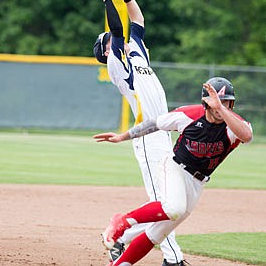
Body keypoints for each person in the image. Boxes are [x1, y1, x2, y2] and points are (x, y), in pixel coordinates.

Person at [94, 77, 253, 266]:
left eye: (227, 101)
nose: (222, 105)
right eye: (218, 101)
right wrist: (122, 137)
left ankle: (119, 264)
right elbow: (154, 123)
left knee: (157, 233)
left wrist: (221, 108)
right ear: (205, 102)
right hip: (175, 167)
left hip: (198, 182)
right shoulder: (189, 115)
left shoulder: (234, 126)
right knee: (173, 208)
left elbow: (247, 136)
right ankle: (123, 220)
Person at [88, 0, 184, 266]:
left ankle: (120, 236)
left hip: (163, 135)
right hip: (146, 140)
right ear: (107, 51)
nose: (117, 40)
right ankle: (173, 259)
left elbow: (137, 21)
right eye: (110, 41)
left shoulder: (138, 54)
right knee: (165, 205)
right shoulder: (117, 62)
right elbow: (117, 28)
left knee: (171, 204)